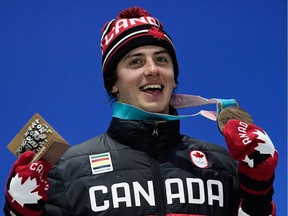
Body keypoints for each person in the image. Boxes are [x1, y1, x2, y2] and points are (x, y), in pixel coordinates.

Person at [4, 6, 278, 216]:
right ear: (113, 83)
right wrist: (20, 211)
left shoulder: (222, 166)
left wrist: (258, 188)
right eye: (135, 62)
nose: (152, 69)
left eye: (161, 59)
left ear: (173, 77)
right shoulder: (69, 171)